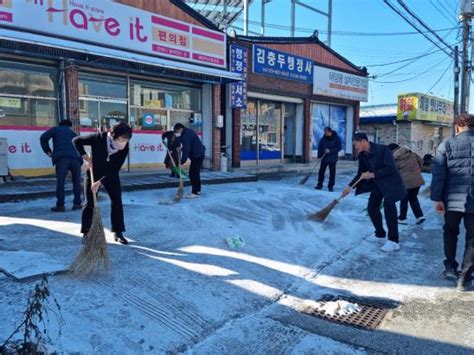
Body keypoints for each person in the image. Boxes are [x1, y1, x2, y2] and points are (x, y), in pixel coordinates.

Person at [431, 113, 474, 292]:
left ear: (457, 127)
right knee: (472, 238)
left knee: (450, 232)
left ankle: (450, 267)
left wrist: (437, 199)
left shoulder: (446, 145)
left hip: (451, 200)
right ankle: (464, 278)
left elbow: (438, 176)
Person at [342, 133, 406, 252]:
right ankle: (380, 234)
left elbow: (391, 168)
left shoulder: (383, 150)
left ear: (363, 141)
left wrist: (373, 174)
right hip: (378, 184)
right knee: (372, 208)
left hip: (391, 184)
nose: (355, 148)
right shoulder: (362, 155)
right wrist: (349, 186)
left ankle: (393, 241)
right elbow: (361, 173)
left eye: (356, 145)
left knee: (389, 209)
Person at [73, 122, 132, 244]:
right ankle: (86, 232)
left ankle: (118, 232)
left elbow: (116, 167)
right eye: (121, 139)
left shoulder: (125, 146)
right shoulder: (98, 138)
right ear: (113, 134)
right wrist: (85, 156)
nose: (123, 142)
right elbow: (76, 140)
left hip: (111, 175)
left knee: (117, 201)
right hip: (94, 172)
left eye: (126, 139)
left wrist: (100, 182)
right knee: (89, 202)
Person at [40, 119, 82, 212]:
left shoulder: (56, 129)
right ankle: (77, 203)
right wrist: (80, 161)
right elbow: (80, 147)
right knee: (76, 181)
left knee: (61, 182)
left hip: (62, 158)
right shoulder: (74, 133)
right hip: (76, 159)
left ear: (60, 125)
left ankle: (60, 205)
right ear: (70, 126)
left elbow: (43, 137)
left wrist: (48, 150)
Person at [388, 143, 425, 225]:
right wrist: (416, 170)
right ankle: (420, 216)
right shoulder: (411, 153)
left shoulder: (394, 158)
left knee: (404, 199)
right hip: (417, 180)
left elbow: (394, 171)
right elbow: (421, 161)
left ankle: (402, 218)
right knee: (413, 198)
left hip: (406, 182)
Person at [173, 123, 205, 198]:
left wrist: (182, 161)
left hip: (197, 155)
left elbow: (187, 149)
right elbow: (186, 144)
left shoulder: (185, 135)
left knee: (193, 174)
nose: (177, 133)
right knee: (195, 173)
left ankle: (195, 192)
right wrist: (180, 148)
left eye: (177, 131)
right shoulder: (187, 131)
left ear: (180, 129)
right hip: (199, 154)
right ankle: (198, 190)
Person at [315, 127, 342, 192]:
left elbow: (339, 148)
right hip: (324, 158)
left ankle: (331, 186)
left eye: (326, 132)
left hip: (333, 159)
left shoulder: (336, 138)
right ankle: (319, 185)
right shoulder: (323, 139)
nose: (325, 133)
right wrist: (319, 157)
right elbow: (320, 148)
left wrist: (330, 150)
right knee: (321, 172)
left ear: (330, 132)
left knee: (332, 173)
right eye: (324, 132)